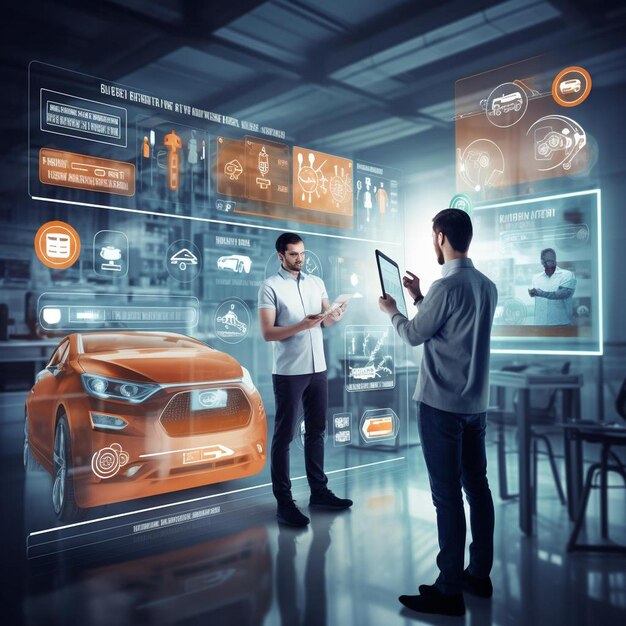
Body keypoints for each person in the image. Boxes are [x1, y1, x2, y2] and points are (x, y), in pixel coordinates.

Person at [379, 209, 498, 617]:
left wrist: (393, 309)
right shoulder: (486, 286)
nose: (433, 242)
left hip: (441, 407)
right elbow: (452, 328)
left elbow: (414, 334)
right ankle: (478, 574)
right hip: (474, 406)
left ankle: (449, 590)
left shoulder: (446, 287)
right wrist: (418, 297)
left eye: (433, 236)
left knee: (446, 496)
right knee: (477, 490)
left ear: (442, 236)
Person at [258, 232, 353, 527]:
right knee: (284, 437)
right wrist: (301, 324)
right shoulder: (270, 287)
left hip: (317, 368)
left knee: (316, 431)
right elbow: (268, 332)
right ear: (281, 256)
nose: (300, 259)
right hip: (289, 371)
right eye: (294, 254)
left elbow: (326, 320)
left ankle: (319, 492)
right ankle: (284, 503)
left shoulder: (316, 283)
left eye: (302, 253)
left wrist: (336, 313)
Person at [528, 248, 576, 325]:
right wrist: (532, 293)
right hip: (540, 325)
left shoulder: (567, 275)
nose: (548, 263)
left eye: (550, 260)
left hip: (561, 324)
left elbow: (562, 294)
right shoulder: (536, 278)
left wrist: (540, 293)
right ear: (542, 261)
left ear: (555, 260)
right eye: (545, 260)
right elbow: (533, 295)